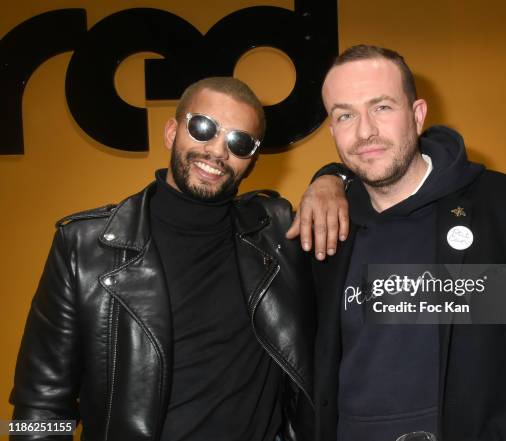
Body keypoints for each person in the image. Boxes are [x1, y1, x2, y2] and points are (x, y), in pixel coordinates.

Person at [10, 76, 346, 441]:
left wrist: (333, 177)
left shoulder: (278, 233)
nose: (218, 151)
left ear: (251, 161)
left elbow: (383, 167)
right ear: (171, 132)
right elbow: (39, 405)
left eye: (239, 142)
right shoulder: (84, 247)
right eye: (203, 128)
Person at [305, 45, 506, 441]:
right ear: (332, 130)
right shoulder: (328, 227)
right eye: (345, 115)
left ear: (417, 115)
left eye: (381, 107)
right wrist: (328, 178)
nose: (364, 132)